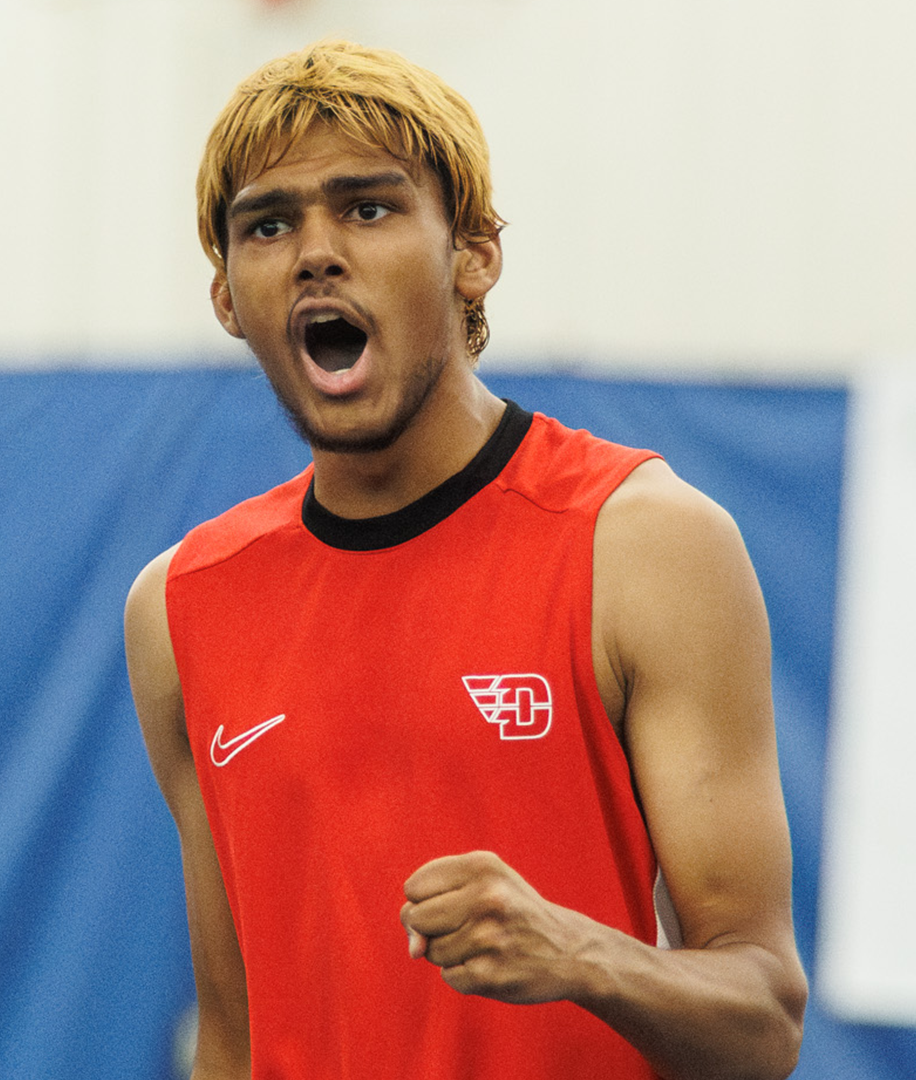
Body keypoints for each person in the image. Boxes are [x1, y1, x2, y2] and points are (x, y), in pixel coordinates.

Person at [124, 39, 806, 1080]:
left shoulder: (644, 543)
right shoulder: (179, 606)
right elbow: (236, 1035)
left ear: (474, 254)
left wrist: (582, 954)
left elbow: (763, 1020)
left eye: (368, 208)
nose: (315, 253)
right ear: (227, 297)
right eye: (269, 225)